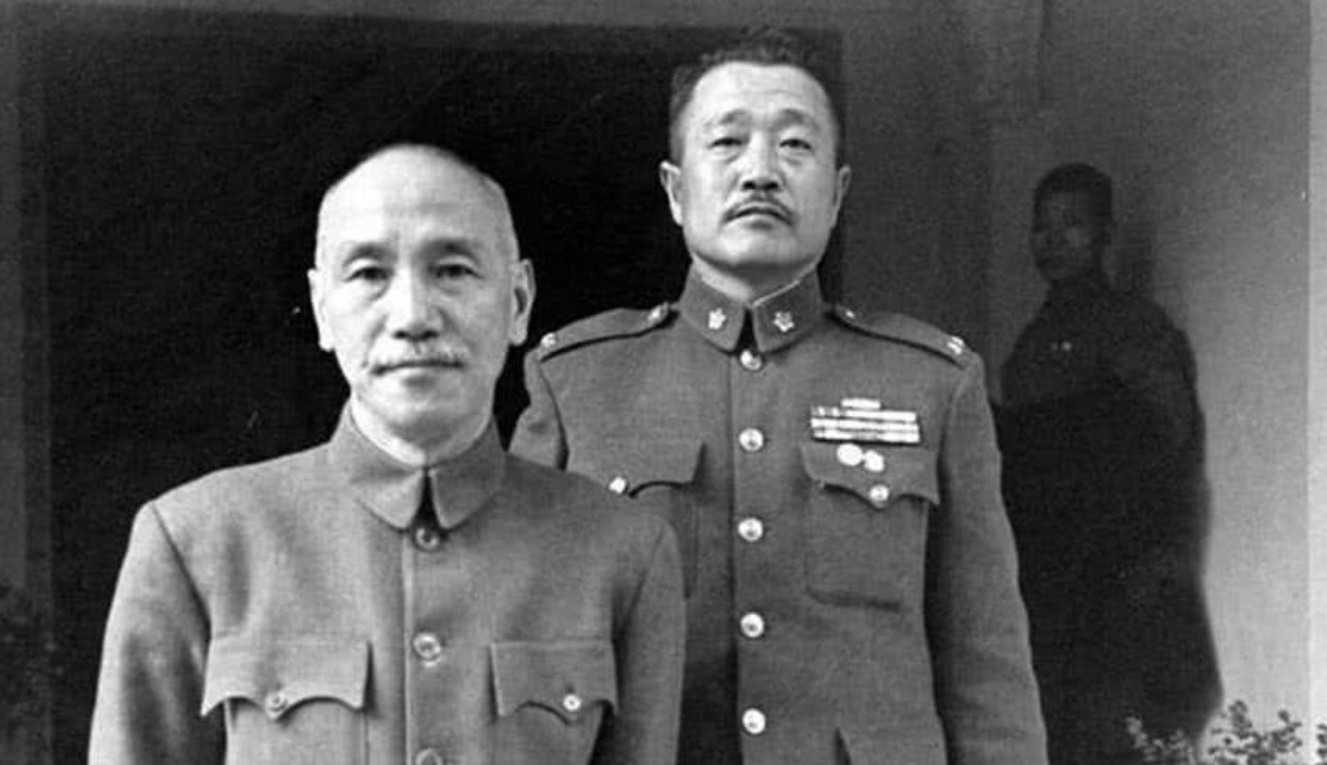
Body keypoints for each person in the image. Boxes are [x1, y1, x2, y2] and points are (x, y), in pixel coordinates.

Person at [511, 29, 1046, 765]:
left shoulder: (933, 386)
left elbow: (987, 671)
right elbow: (519, 657)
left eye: (794, 146)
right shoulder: (578, 383)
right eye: (726, 143)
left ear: (838, 192)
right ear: (675, 190)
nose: (759, 172)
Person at [89, 145, 684, 765]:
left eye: (453, 270)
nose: (413, 317)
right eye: (369, 274)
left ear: (518, 302)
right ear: (321, 308)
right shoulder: (196, 543)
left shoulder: (623, 553)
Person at [997, 162, 1220, 765]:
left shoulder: (1130, 325)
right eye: (1042, 227)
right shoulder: (1033, 341)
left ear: (1106, 233)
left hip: (1117, 568)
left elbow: (1163, 434)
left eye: (1072, 224)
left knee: (1111, 729)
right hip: (1050, 570)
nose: (1053, 241)